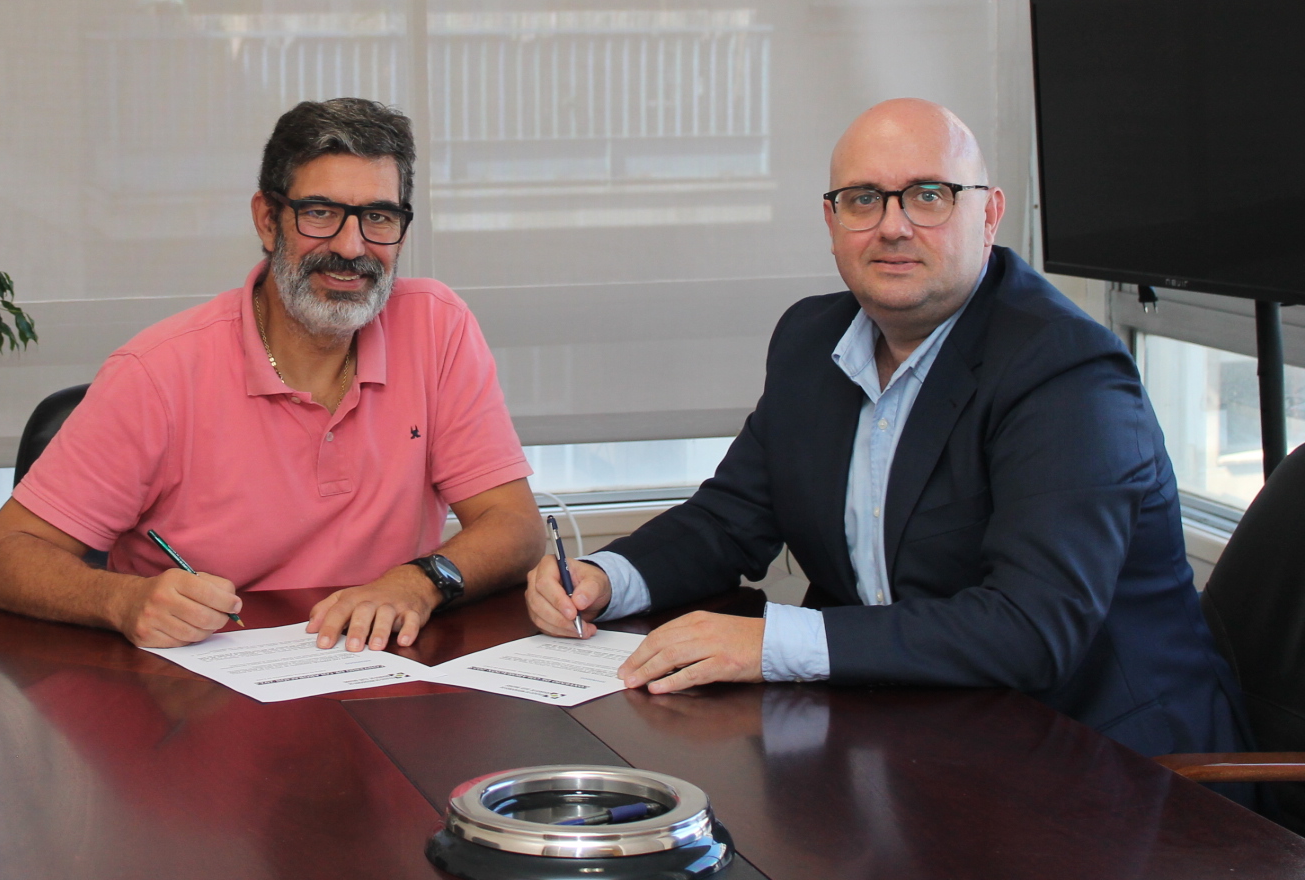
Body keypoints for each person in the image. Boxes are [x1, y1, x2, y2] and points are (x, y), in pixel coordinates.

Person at [526, 98, 1242, 757]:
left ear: (989, 215)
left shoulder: (1065, 370)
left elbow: (1031, 628)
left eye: (929, 195)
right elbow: (729, 519)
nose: (894, 226)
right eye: (863, 199)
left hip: (1102, 763)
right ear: (832, 223)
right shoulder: (812, 341)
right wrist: (603, 579)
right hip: (914, 735)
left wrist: (770, 643)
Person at [0, 98, 543, 653]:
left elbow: (514, 525)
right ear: (268, 221)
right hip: (199, 687)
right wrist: (122, 600)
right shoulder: (157, 373)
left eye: (378, 217)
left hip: (382, 669)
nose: (352, 247)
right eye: (320, 213)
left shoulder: (436, 327)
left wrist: (419, 582)